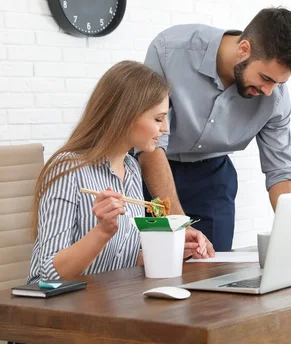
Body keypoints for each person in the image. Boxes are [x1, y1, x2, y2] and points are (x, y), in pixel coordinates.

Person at [140, 7, 291, 251]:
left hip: (212, 178)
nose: (269, 91)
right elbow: (151, 144)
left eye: (278, 82)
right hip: (154, 169)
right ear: (244, 49)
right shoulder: (169, 51)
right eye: (265, 78)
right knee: (155, 264)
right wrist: (178, 224)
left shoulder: (275, 95)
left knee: (212, 271)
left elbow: (280, 170)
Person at [27, 61, 211, 284]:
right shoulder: (68, 169)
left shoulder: (131, 169)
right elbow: (48, 274)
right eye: (158, 119)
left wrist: (173, 250)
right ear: (126, 115)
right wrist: (102, 231)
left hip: (108, 299)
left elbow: (121, 261)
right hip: (58, 306)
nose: (165, 129)